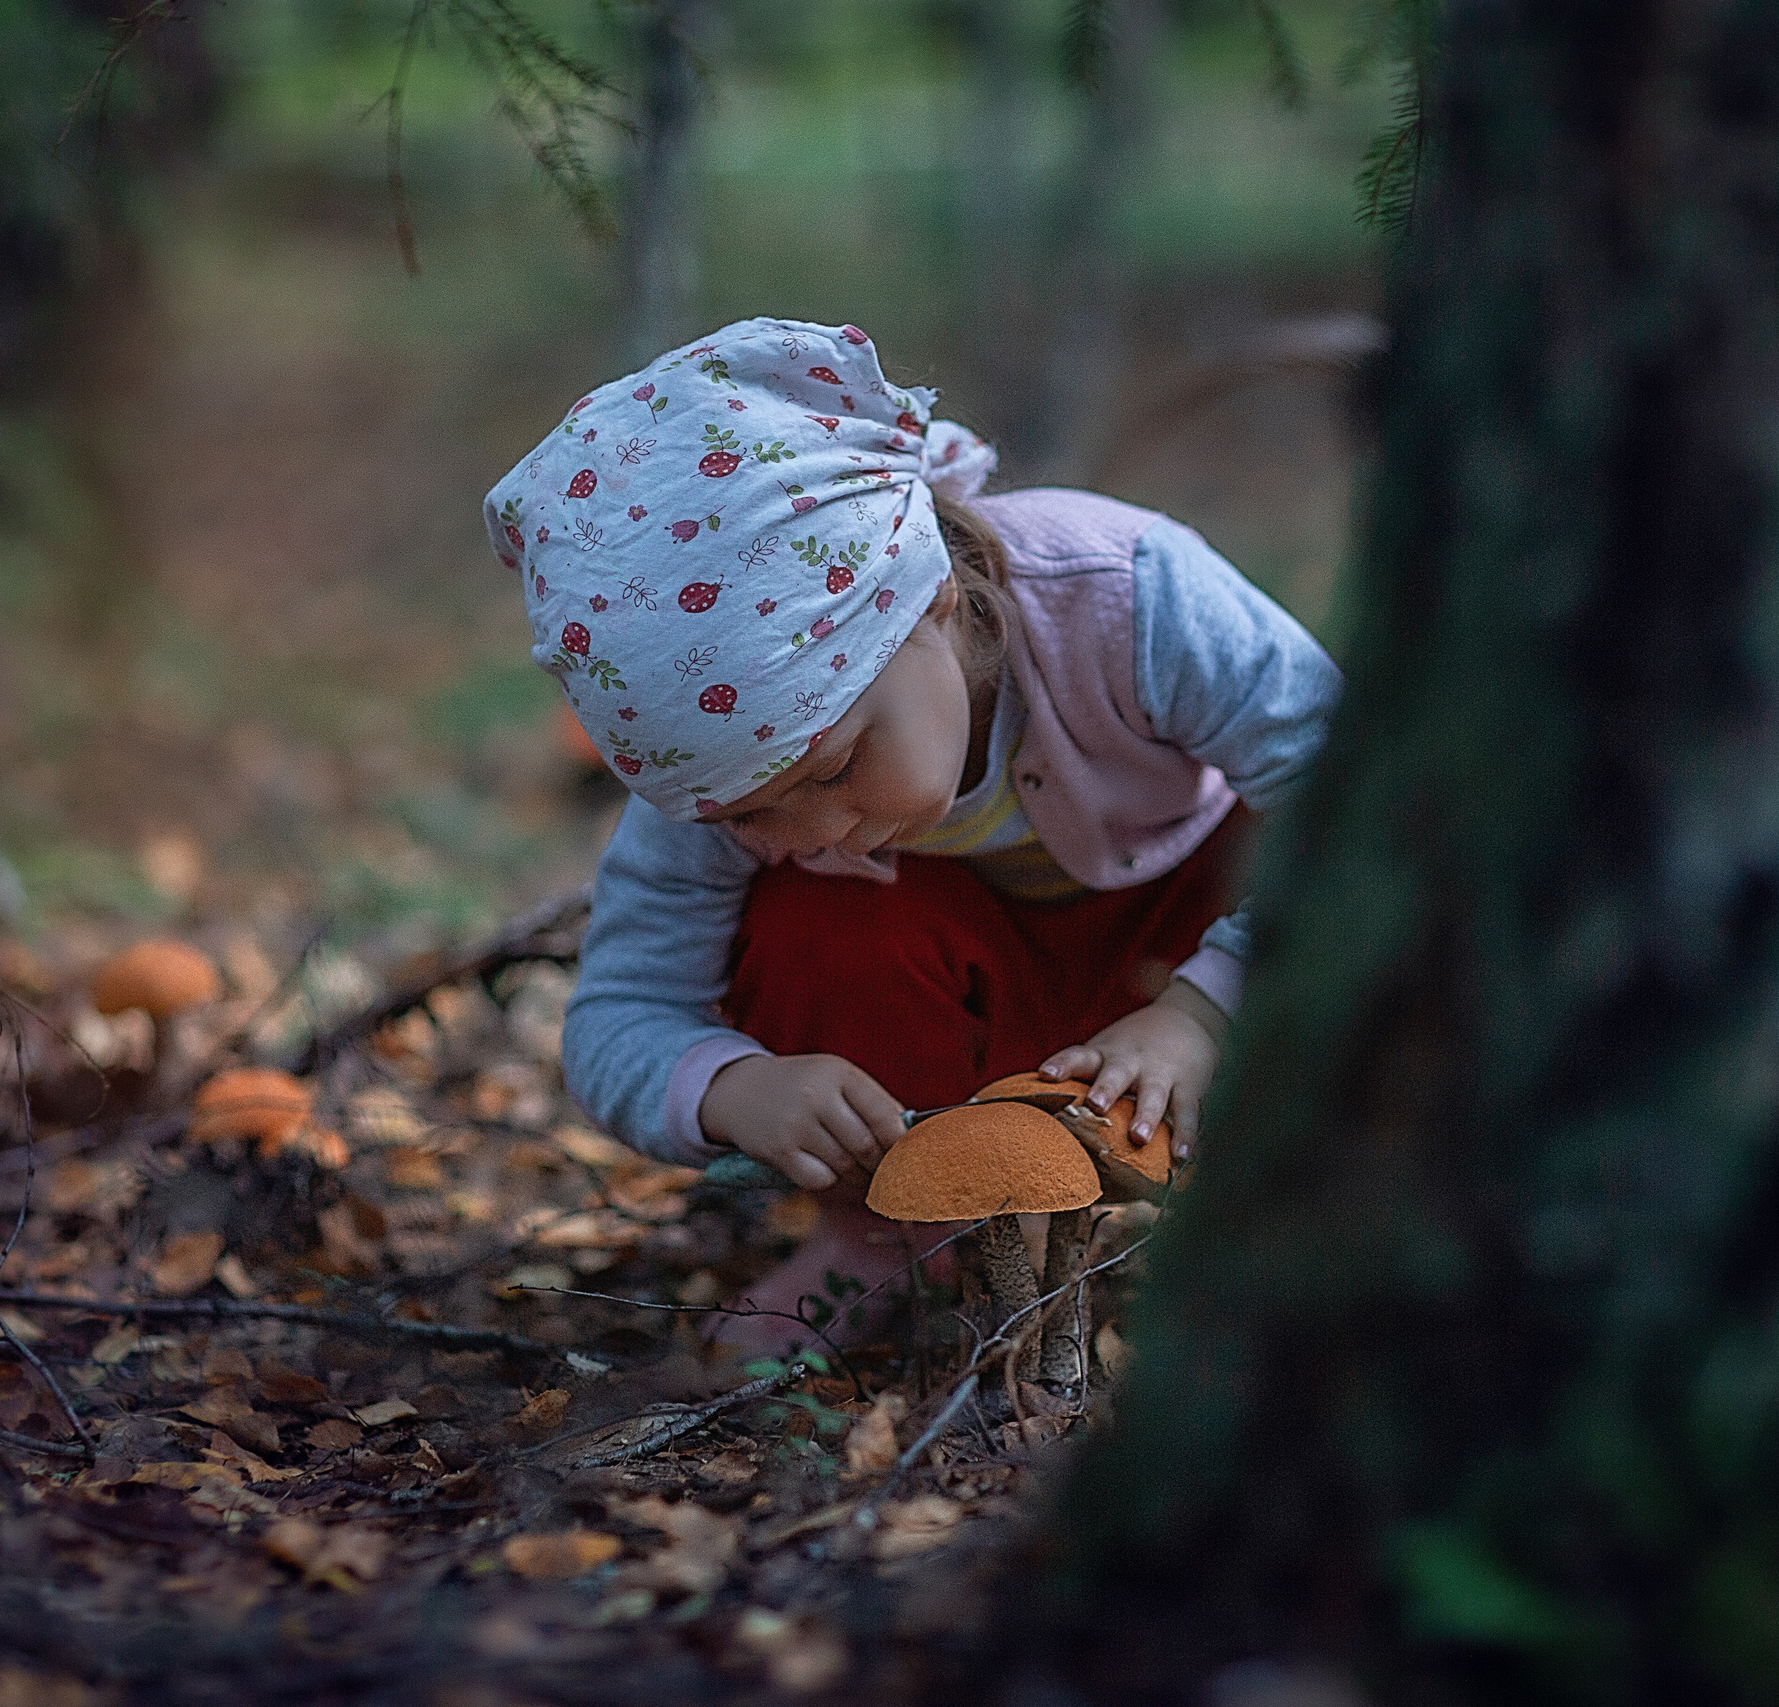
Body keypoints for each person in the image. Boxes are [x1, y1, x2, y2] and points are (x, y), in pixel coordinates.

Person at [486, 317, 1337, 1350]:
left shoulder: (1124, 593)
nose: (812, 825)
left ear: (932, 603)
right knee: (812, 918)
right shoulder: (718, 766)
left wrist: (1206, 1012)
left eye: (838, 765)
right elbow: (620, 1011)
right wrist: (732, 1086)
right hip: (946, 1038)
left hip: (1183, 947)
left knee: (1296, 833)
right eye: (749, 811)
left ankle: (1283, 1200)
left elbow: (1346, 788)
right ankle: (901, 1234)